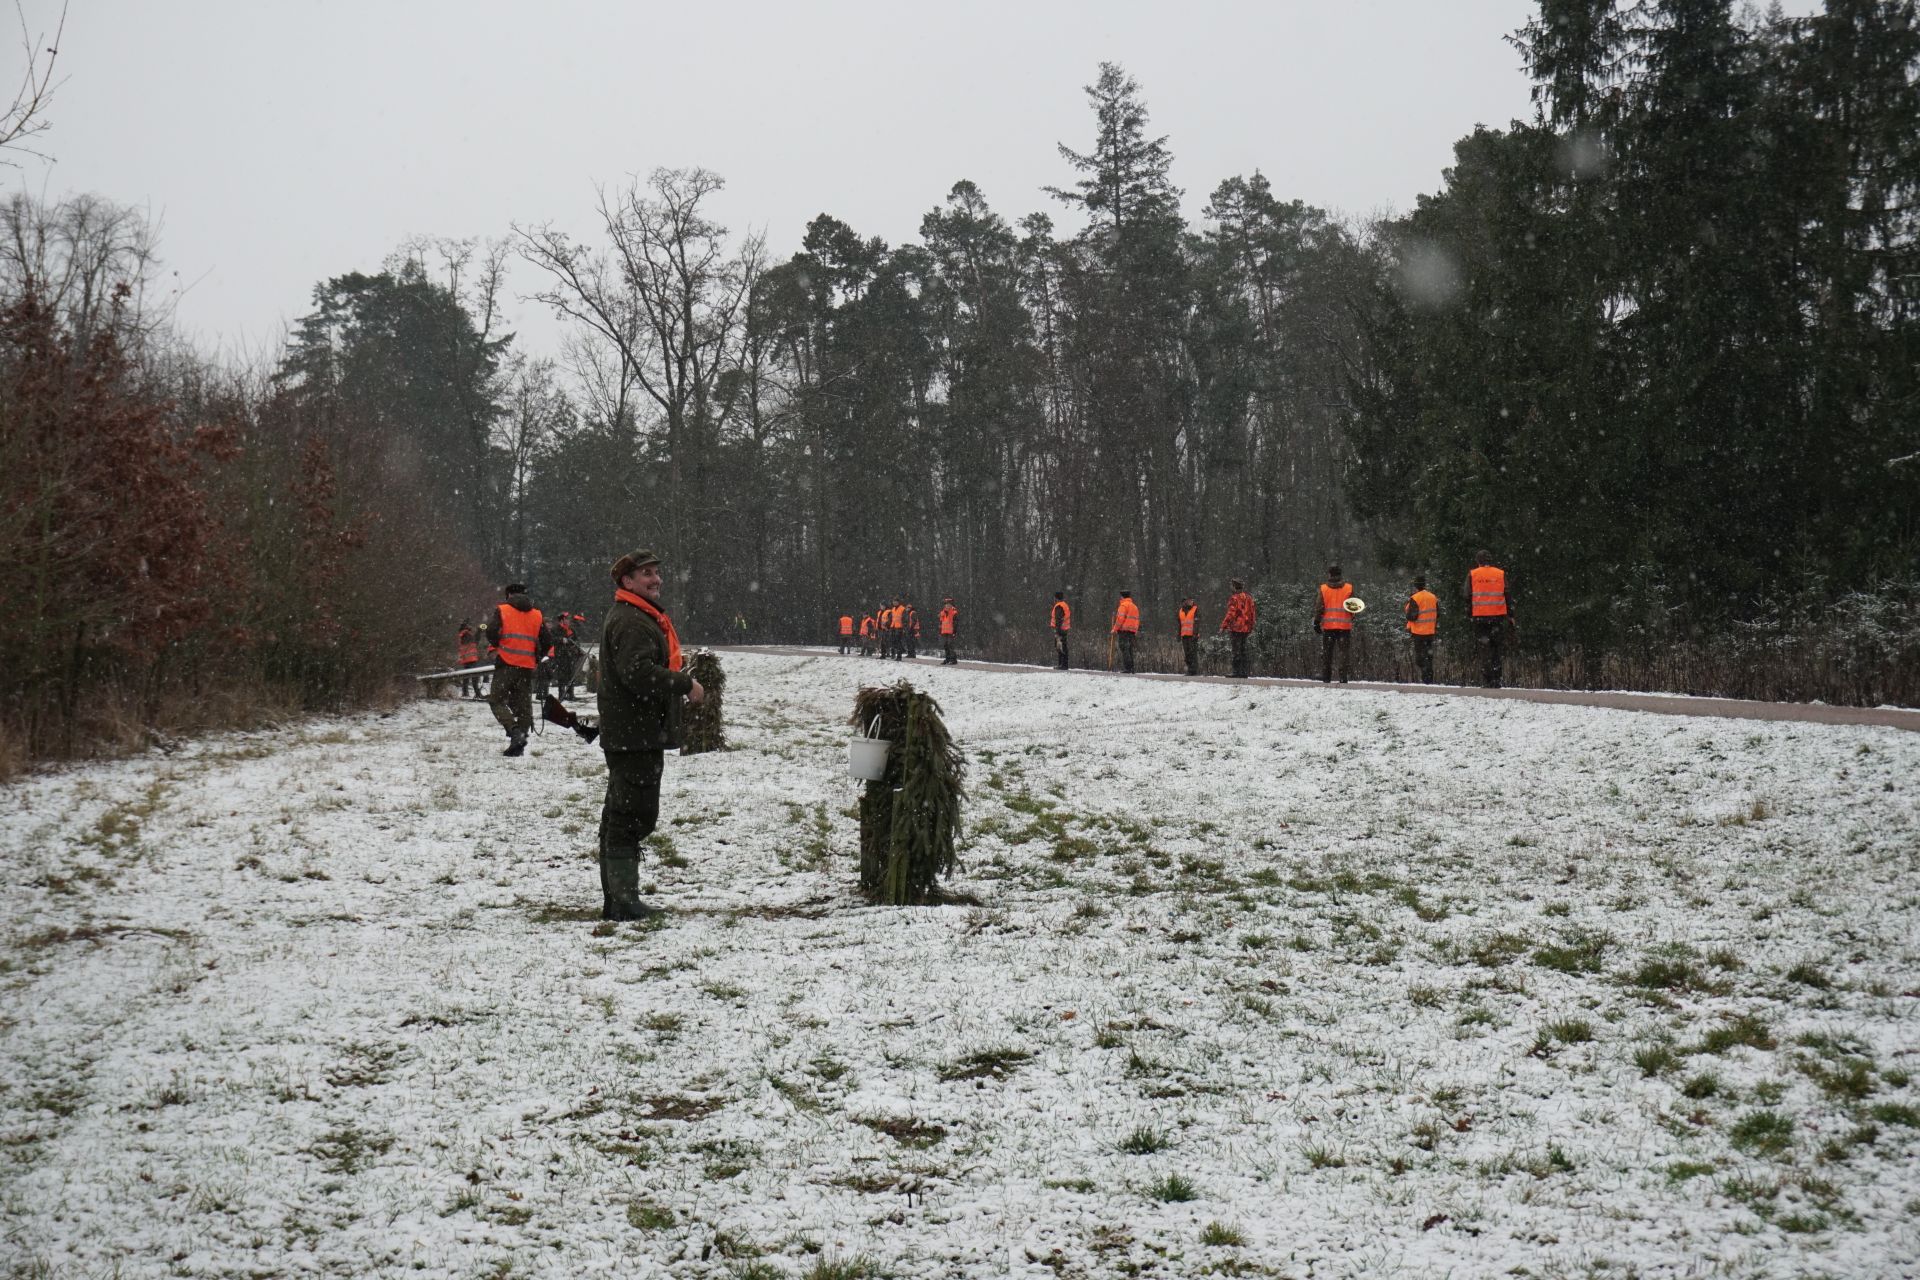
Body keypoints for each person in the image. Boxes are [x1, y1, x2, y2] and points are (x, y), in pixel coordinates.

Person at [598, 549, 705, 921]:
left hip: (634, 733)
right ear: (627, 581)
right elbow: (638, 674)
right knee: (631, 816)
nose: (656, 579)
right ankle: (623, 902)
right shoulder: (632, 621)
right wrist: (684, 683)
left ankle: (619, 898)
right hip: (635, 735)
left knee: (621, 814)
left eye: (657, 572)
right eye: (646, 574)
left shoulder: (636, 615)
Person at [487, 583, 556, 756]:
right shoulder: (537, 614)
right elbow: (548, 641)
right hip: (526, 666)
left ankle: (514, 732)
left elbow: (490, 632)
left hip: (506, 663)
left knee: (496, 700)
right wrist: (537, 657)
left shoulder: (502, 610)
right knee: (524, 706)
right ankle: (519, 745)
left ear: (509, 595)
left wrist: (498, 644)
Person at [1468, 551, 1515, 688]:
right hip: (1497, 617)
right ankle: (1497, 679)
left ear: (1478, 561)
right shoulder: (1500, 574)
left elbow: (1467, 595)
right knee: (1496, 648)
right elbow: (1508, 595)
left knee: (1484, 648)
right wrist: (1511, 615)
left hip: (1480, 617)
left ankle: (1487, 679)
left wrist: (1470, 613)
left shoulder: (1473, 574)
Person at [1313, 565, 1354, 684]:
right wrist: (1352, 616)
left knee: (1327, 654)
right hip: (1344, 628)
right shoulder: (1349, 588)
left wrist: (1316, 622)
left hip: (1329, 627)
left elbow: (1319, 607)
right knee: (1343, 654)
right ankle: (1343, 678)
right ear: (1340, 575)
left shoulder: (1324, 588)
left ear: (1329, 574)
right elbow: (1354, 606)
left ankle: (1326, 677)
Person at [1404, 575, 1438, 684]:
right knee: (1428, 655)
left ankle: (1426, 677)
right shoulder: (1433, 597)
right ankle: (1429, 678)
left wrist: (1407, 612)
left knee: (1420, 658)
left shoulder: (1415, 598)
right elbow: (1438, 613)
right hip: (1430, 632)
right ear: (1424, 585)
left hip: (1418, 632)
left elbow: (1411, 617)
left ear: (1415, 586)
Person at [1220, 578, 1256, 678]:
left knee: (1236, 650)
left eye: (1231, 585)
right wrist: (1251, 626)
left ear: (1234, 587)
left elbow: (1231, 613)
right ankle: (1244, 672)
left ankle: (1236, 672)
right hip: (1246, 628)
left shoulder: (1234, 598)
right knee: (1243, 650)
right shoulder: (1249, 598)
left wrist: (1223, 626)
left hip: (1236, 628)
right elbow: (1252, 613)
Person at [1111, 591, 1140, 673]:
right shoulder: (1134, 606)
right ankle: (1132, 668)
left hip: (1124, 630)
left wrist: (1114, 629)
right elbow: (1137, 620)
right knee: (1130, 649)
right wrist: (1135, 630)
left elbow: (1120, 619)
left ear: (1122, 597)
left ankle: (1128, 668)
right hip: (1132, 631)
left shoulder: (1123, 606)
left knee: (1124, 648)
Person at [456, 620, 481, 699]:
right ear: (466, 626)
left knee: (466, 677)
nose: (471, 627)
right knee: (474, 676)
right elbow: (475, 641)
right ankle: (477, 693)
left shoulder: (462, 634)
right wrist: (479, 631)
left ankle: (465, 692)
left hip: (466, 659)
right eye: (470, 625)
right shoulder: (466, 634)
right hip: (471, 658)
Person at [1177, 598, 1200, 676]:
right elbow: (1180, 624)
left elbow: (1197, 623)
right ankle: (1190, 669)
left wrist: (1195, 634)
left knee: (1192, 653)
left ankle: (1193, 670)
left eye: (1190, 601)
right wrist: (1178, 635)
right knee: (1187, 653)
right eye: (1184, 602)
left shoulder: (1195, 609)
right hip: (1184, 635)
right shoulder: (1180, 611)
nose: (1187, 603)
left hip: (1192, 636)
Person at [1050, 592, 1072, 670]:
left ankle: (1062, 665)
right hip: (1064, 629)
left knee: (1060, 647)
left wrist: (1057, 631)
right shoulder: (1064, 605)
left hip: (1060, 629)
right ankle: (1063, 665)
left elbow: (1058, 619)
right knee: (1063, 646)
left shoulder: (1059, 606)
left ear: (1056, 598)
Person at [938, 598, 959, 664]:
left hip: (951, 631)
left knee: (950, 645)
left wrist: (954, 631)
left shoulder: (954, 612)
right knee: (945, 645)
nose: (947, 605)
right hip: (944, 631)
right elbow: (941, 622)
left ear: (951, 605)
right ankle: (947, 659)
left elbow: (955, 623)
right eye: (946, 604)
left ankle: (953, 660)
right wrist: (940, 630)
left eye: (948, 604)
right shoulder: (942, 612)